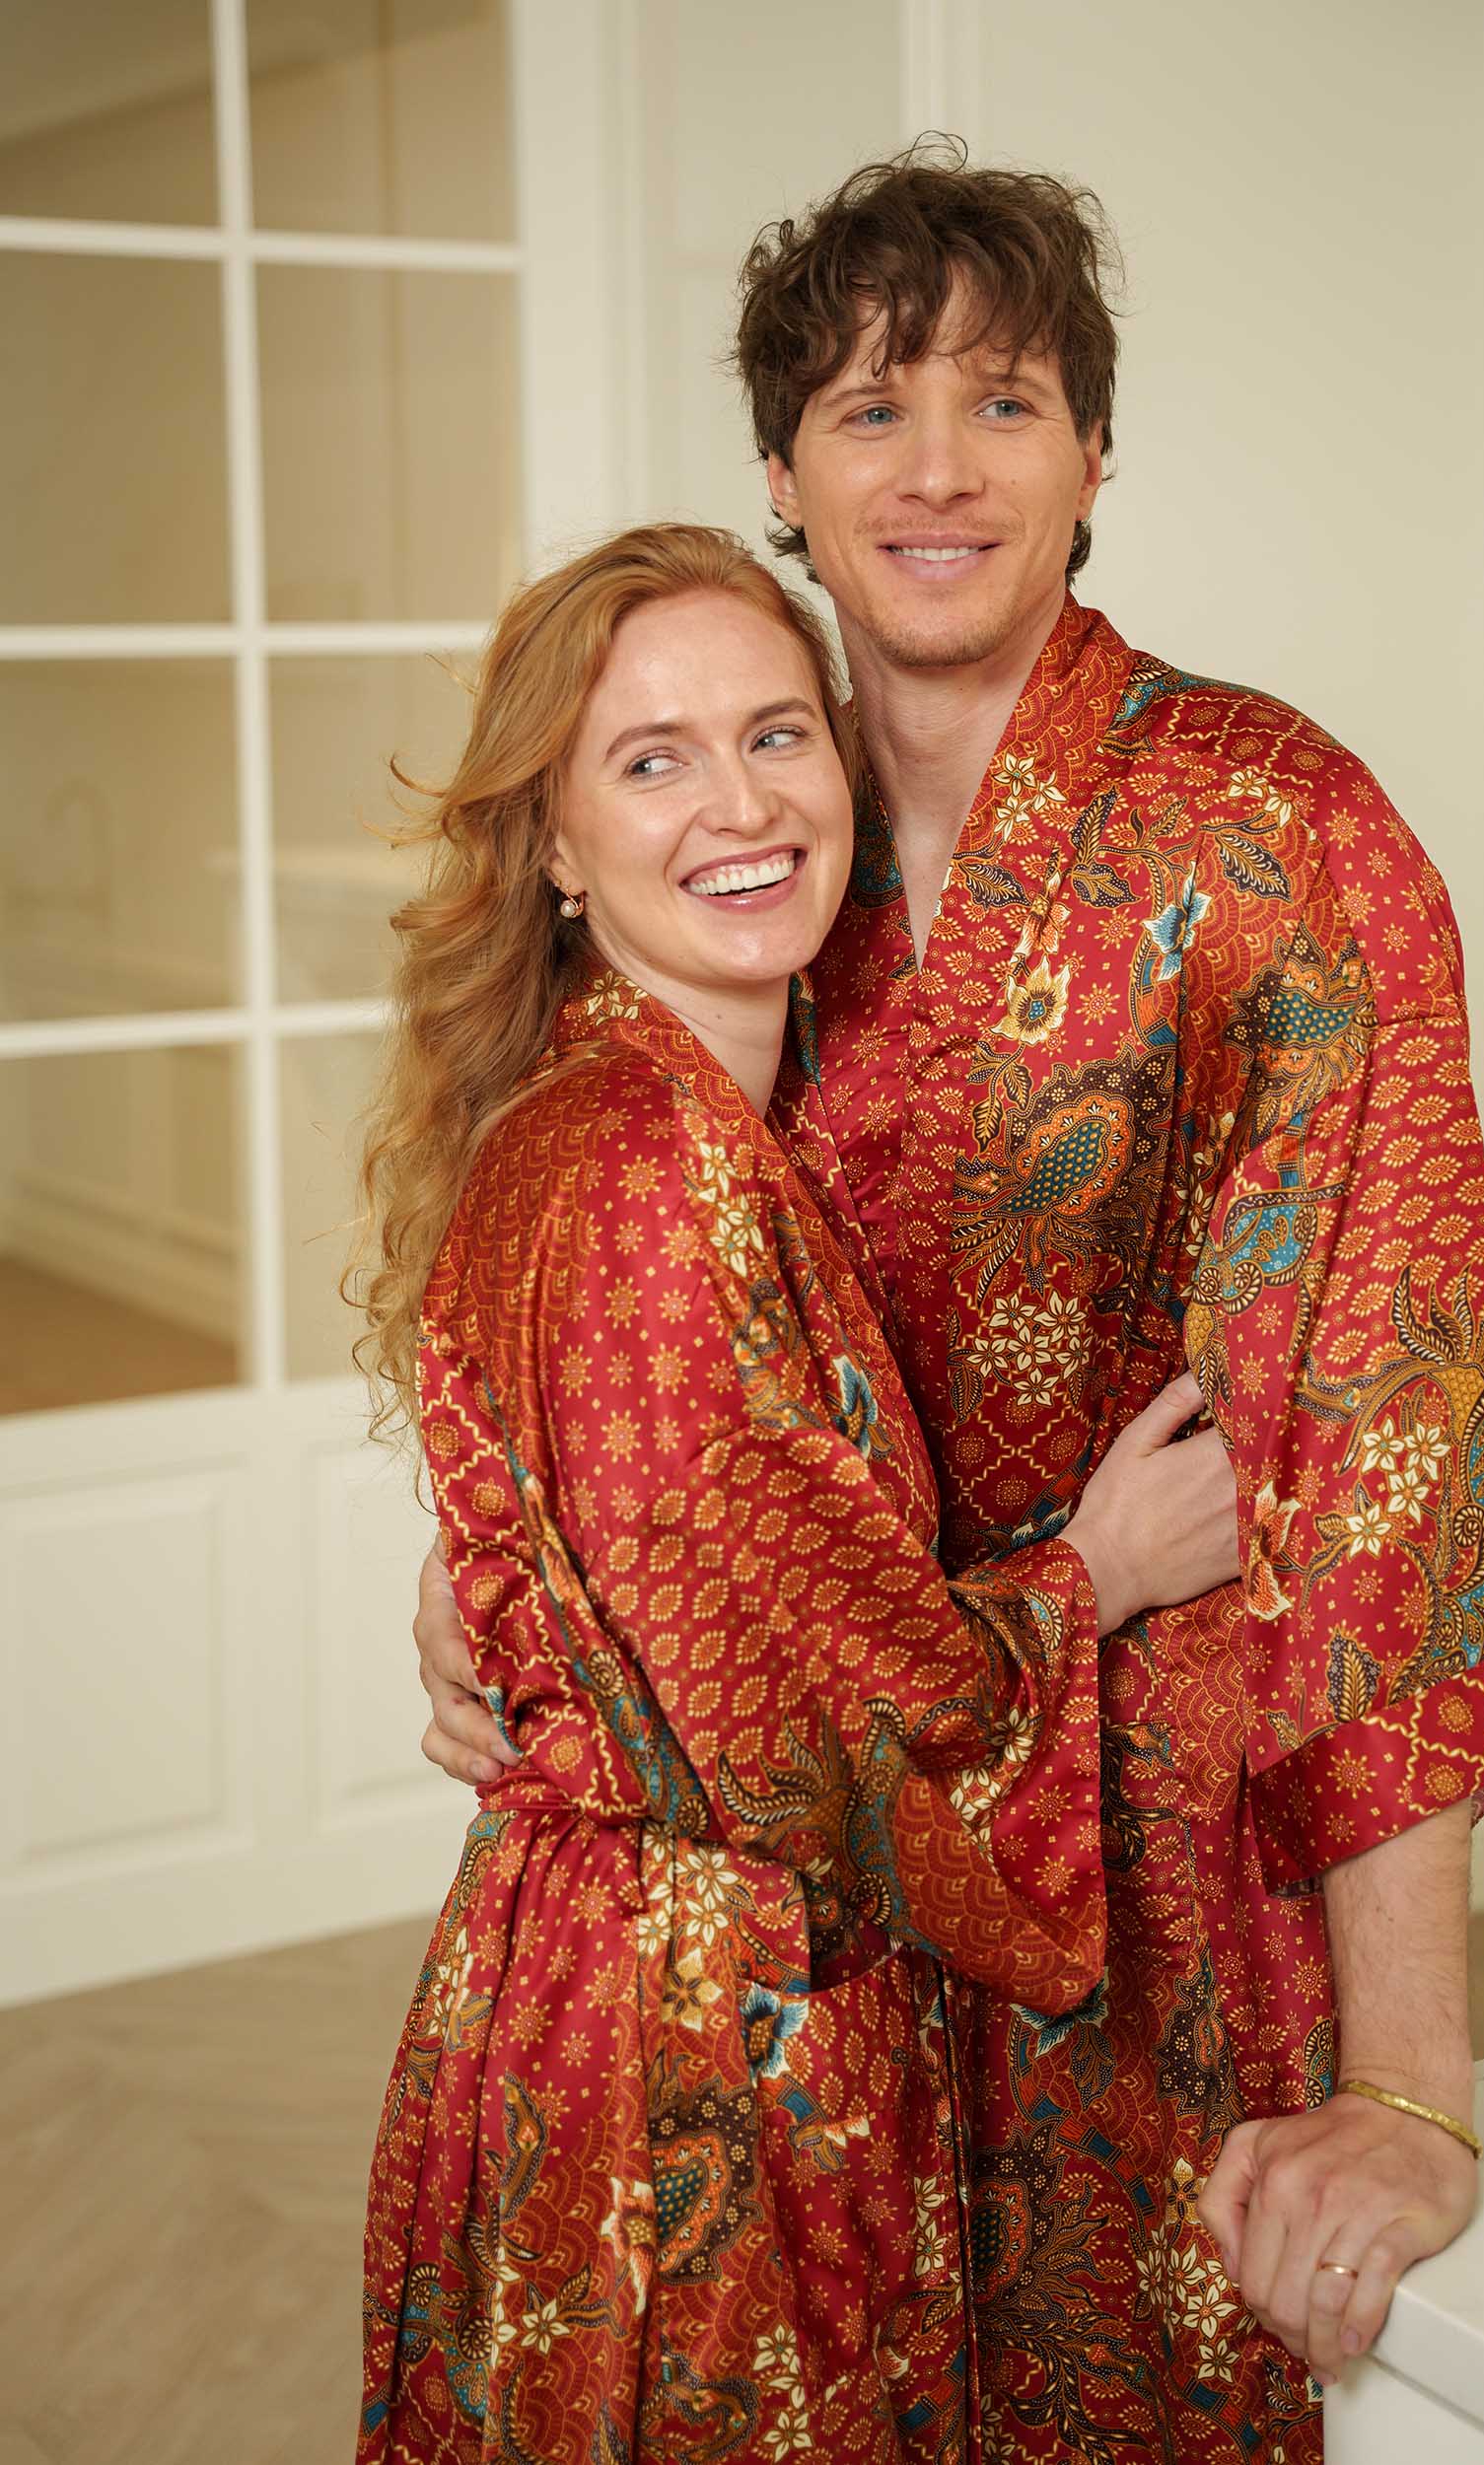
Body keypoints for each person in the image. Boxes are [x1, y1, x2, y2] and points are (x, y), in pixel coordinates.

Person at [411, 144, 1484, 2461]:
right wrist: (502, 1570)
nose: (940, 467)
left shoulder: (1276, 843)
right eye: (871, 411)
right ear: (782, 475)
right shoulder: (754, 844)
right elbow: (611, 1283)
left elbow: (1401, 1471)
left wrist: (1410, 2085)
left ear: (1096, 456)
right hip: (789, 1946)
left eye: (1007, 401)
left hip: (1159, 1897)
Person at [352, 522, 1241, 2462]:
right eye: (652, 757)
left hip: (624, 1974)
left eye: (777, 735)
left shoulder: (649, 1120)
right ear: (559, 848)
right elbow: (811, 1724)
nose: (741, 803)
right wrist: (1103, 1562)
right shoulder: (648, 1176)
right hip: (703, 2035)